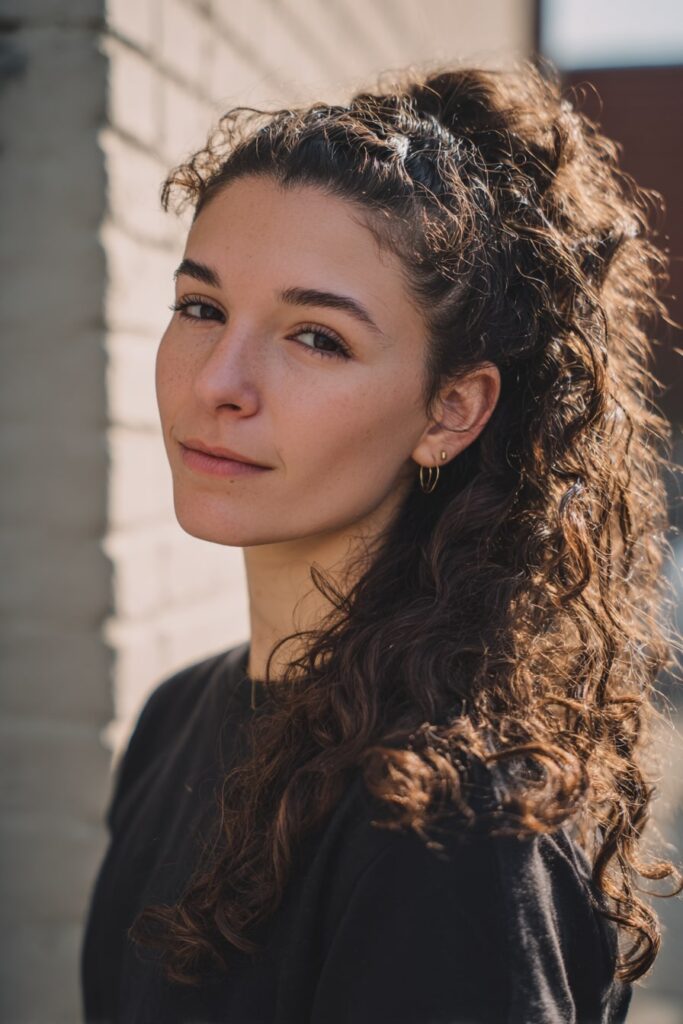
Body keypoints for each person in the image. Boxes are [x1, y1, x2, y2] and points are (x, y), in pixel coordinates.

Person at [80, 57, 682, 1023]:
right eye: (202, 308)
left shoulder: (453, 829)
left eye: (316, 337)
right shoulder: (175, 719)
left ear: (451, 409)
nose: (217, 383)